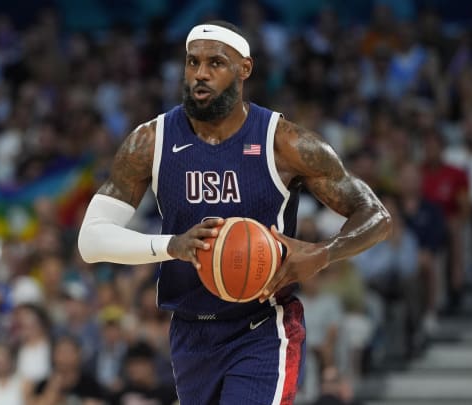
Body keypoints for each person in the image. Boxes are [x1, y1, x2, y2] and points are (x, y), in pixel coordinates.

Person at [78, 20, 391, 404]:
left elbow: (376, 215)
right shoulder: (150, 141)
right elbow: (91, 239)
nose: (201, 74)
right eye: (192, 63)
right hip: (190, 332)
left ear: (244, 69)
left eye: (215, 63)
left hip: (262, 328)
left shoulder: (284, 142)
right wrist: (172, 246)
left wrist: (324, 252)